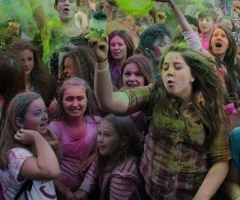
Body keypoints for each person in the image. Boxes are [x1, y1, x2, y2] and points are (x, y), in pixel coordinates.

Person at [93, 39, 231, 199]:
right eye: (165, 67)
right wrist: (101, 61)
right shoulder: (154, 94)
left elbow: (220, 161)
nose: (170, 72)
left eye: (177, 67)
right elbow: (109, 102)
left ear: (192, 75)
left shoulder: (211, 108)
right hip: (150, 193)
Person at [0, 92, 61, 199]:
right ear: (20, 122)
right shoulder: (16, 155)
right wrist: (37, 137)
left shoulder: (34, 143)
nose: (45, 117)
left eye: (45, 111)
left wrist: (55, 146)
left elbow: (56, 165)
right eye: (38, 113)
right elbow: (52, 172)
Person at [48, 78, 101, 199]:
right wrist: (64, 192)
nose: (75, 104)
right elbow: (47, 166)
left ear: (87, 99)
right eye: (69, 99)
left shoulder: (96, 123)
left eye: (80, 98)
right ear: (61, 101)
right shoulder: (54, 128)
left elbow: (104, 154)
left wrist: (96, 154)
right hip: (57, 192)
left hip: (88, 190)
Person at [83, 115, 144, 199]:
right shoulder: (109, 152)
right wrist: (83, 190)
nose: (100, 140)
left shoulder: (121, 176)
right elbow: (94, 168)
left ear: (123, 140)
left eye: (107, 135)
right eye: (99, 133)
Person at [9, 39, 58, 105]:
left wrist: (53, 105)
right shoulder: (8, 84)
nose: (26, 64)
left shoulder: (46, 82)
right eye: (22, 60)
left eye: (30, 59)